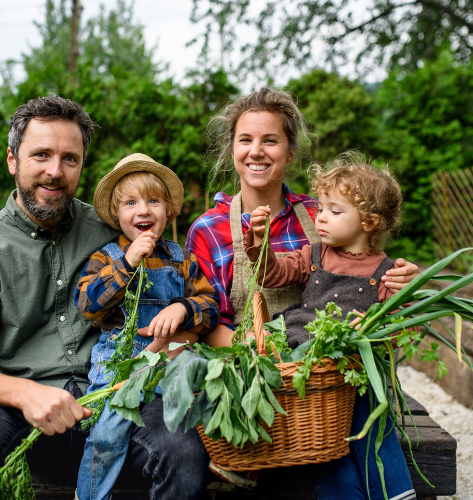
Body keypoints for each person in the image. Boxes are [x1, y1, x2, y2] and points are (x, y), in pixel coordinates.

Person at [0, 96, 210, 500]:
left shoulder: (110, 229)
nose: (54, 171)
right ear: (13, 160)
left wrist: (181, 332)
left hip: (121, 392)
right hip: (23, 409)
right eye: (41, 155)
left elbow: (181, 286)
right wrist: (27, 393)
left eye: (69, 158)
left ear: (82, 164)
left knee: (182, 448)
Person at [185, 88, 418, 499]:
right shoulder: (208, 229)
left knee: (336, 470)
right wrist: (266, 364)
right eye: (245, 140)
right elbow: (208, 322)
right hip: (254, 388)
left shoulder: (322, 214)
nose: (257, 151)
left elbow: (365, 270)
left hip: (324, 396)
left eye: (270, 140)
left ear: (290, 152)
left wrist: (399, 281)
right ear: (232, 148)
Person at [74, 153, 220, 500]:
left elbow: (210, 307)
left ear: (169, 212)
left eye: (153, 201)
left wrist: (185, 308)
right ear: (117, 214)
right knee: (107, 432)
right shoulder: (107, 257)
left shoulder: (182, 259)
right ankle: (90, 495)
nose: (143, 210)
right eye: (130, 202)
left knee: (200, 410)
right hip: (119, 366)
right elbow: (87, 305)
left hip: (169, 362)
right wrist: (127, 263)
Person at [246, 152, 404, 345]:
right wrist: (260, 239)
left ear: (369, 222)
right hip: (299, 345)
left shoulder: (386, 274)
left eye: (335, 211)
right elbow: (270, 275)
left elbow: (405, 326)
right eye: (320, 208)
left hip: (349, 363)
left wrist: (374, 327)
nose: (321, 217)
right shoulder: (312, 256)